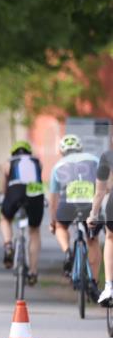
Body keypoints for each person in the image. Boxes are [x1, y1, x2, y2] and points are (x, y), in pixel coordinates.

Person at [49, 133, 101, 302]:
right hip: (90, 203)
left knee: (61, 227)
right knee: (92, 240)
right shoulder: (94, 159)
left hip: (68, 203)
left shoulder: (57, 166)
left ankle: (67, 252)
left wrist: (53, 221)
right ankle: (94, 282)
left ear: (63, 152)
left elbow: (54, 198)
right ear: (80, 148)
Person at [0, 141, 44, 284]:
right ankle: (33, 271)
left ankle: (8, 245)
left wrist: (4, 197)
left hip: (15, 189)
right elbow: (39, 178)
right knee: (34, 230)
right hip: (35, 191)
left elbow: (4, 184)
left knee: (5, 218)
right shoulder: (37, 161)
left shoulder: (9, 162)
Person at [87, 130, 113, 306]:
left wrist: (93, 215)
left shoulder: (107, 156)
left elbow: (100, 192)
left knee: (110, 237)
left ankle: (110, 286)